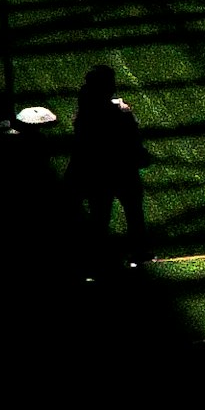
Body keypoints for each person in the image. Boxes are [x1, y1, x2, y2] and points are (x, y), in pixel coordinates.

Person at [65, 62, 147, 269]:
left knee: (100, 216)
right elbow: (130, 137)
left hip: (98, 171)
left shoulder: (86, 108)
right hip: (120, 169)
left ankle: (97, 259)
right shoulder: (118, 113)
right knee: (132, 212)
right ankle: (137, 253)